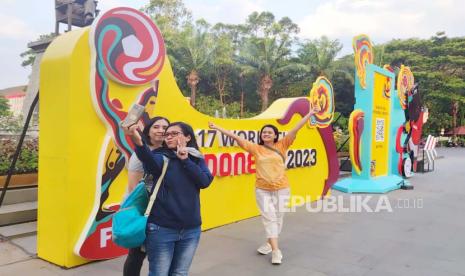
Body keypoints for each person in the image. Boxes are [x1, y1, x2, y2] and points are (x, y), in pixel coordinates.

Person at [208, 106, 319, 265]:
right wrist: (217, 127)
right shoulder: (256, 148)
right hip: (262, 190)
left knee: (278, 217)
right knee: (269, 218)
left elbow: (296, 128)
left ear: (275, 135)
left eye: (269, 132)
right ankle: (276, 251)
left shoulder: (283, 144)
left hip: (282, 188)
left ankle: (269, 243)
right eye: (264, 132)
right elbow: (235, 137)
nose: (266, 134)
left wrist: (310, 113)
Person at [124, 121, 214, 276]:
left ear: (187, 137)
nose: (169, 137)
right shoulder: (161, 158)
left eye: (174, 133)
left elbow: (204, 181)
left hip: (191, 229)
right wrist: (135, 137)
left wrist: (185, 160)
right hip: (162, 229)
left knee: (180, 272)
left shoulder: (196, 158)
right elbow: (146, 156)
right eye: (167, 135)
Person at [123, 116, 170, 276]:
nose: (161, 130)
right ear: (148, 131)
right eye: (156, 127)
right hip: (143, 208)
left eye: (165, 127)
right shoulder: (140, 154)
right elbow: (134, 188)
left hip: (161, 207)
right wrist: (142, 214)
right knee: (137, 254)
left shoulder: (169, 151)